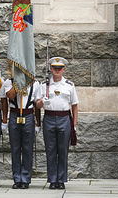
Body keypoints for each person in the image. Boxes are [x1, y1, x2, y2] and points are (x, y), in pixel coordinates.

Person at [36, 57, 78, 190]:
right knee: (51, 150)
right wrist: (43, 101)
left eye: (60, 69)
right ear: (51, 69)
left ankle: (61, 179)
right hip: (49, 118)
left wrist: (74, 125)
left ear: (64, 69)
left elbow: (75, 106)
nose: (57, 71)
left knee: (63, 150)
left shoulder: (69, 86)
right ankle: (52, 180)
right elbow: (36, 105)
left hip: (64, 118)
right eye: (55, 68)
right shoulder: (45, 85)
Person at [4, 78, 42, 189]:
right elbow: (10, 96)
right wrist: (18, 82)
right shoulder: (9, 82)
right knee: (15, 148)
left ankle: (25, 179)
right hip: (14, 114)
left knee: (27, 148)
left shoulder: (35, 83)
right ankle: (17, 179)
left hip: (28, 115)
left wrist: (38, 123)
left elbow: (36, 104)